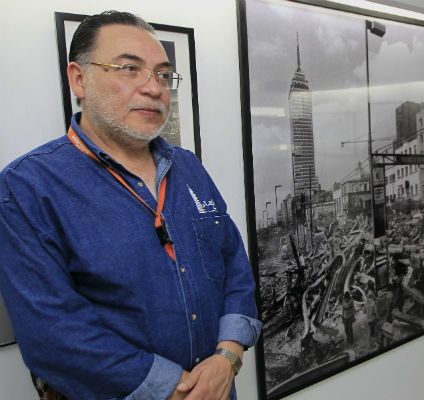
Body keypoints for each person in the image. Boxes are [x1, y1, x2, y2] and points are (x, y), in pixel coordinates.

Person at [0, 11, 261, 400]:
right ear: (79, 79)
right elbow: (53, 334)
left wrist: (227, 358)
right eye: (129, 69)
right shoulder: (27, 187)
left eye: (161, 74)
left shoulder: (187, 167)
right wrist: (171, 388)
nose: (153, 88)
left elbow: (234, 270)